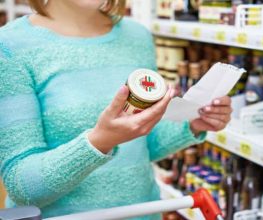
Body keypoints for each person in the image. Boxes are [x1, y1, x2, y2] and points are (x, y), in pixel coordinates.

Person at [0, 0, 232, 219]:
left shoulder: (136, 37)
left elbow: (143, 145)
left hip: (144, 213)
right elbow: (22, 186)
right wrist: (99, 141)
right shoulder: (11, 46)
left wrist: (192, 122)